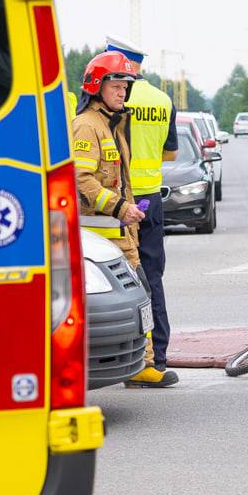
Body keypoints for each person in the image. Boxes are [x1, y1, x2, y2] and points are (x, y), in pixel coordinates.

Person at [71, 51, 178, 388]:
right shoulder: (88, 125)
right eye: (116, 86)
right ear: (96, 87)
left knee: (142, 297)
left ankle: (142, 364)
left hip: (122, 234)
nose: (122, 92)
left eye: (125, 87)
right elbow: (81, 179)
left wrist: (127, 214)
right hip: (100, 238)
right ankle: (134, 366)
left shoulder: (113, 124)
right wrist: (119, 208)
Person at [105, 35, 180, 388]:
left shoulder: (113, 100)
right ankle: (158, 356)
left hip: (117, 202)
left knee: (116, 279)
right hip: (151, 197)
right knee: (153, 277)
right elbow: (171, 154)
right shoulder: (163, 100)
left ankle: (125, 356)